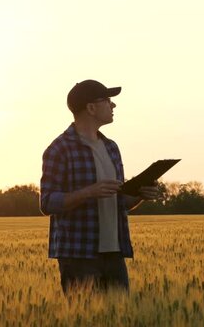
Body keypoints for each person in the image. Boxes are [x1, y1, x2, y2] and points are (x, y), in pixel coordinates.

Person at [40, 79, 159, 294]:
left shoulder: (111, 147)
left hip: (114, 253)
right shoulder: (59, 149)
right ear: (91, 108)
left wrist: (140, 195)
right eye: (108, 100)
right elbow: (47, 203)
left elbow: (119, 202)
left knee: (121, 318)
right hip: (79, 255)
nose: (113, 106)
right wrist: (88, 192)